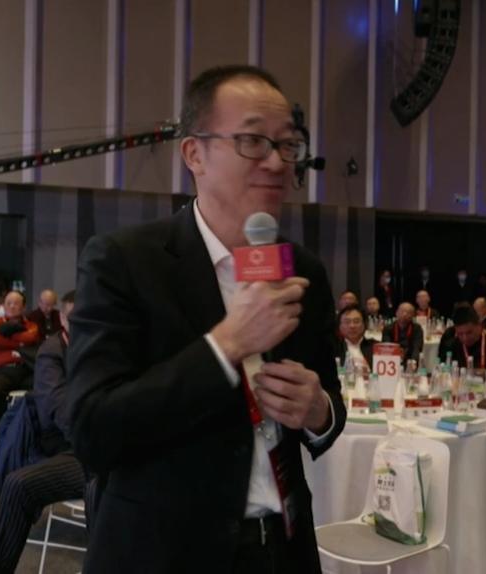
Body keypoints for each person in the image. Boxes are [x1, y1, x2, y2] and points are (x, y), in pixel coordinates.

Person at [68, 65, 346, 574]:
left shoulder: (301, 269)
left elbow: (329, 399)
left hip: (283, 549)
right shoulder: (124, 261)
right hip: (164, 553)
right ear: (194, 154)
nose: (276, 162)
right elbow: (92, 429)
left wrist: (319, 411)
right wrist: (225, 346)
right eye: (253, 141)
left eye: (288, 145)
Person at [0, 291, 86, 574]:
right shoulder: (55, 349)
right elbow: (59, 408)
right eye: (74, 318)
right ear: (63, 319)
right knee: (16, 484)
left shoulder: (110, 349)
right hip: (73, 443)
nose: (81, 324)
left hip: (108, 452)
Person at [0, 291, 40, 429]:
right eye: (8, 303)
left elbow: (31, 337)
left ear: (23, 307)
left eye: (16, 303)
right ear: (3, 306)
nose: (12, 306)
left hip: (25, 370)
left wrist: (6, 338)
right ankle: (0, 427)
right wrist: (20, 343)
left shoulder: (31, 325)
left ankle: (34, 427)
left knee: (45, 385)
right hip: (1, 371)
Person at [438, 305, 486, 373]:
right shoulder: (450, 347)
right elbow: (441, 371)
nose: (465, 338)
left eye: (469, 333)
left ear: (480, 326)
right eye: (460, 334)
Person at [334, 306, 373, 374]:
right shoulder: (333, 348)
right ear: (340, 326)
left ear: (364, 325)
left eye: (356, 321)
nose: (352, 326)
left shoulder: (375, 347)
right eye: (347, 322)